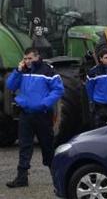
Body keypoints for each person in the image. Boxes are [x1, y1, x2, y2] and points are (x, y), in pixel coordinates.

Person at [5, 47, 64, 188]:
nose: (27, 61)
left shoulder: (48, 70)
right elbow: (10, 85)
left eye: (30, 58)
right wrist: (18, 71)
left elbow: (58, 89)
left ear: (37, 57)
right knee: (24, 146)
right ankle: (21, 178)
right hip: (25, 114)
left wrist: (45, 103)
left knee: (47, 147)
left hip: (42, 115)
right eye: (25, 58)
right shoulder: (23, 70)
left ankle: (57, 178)